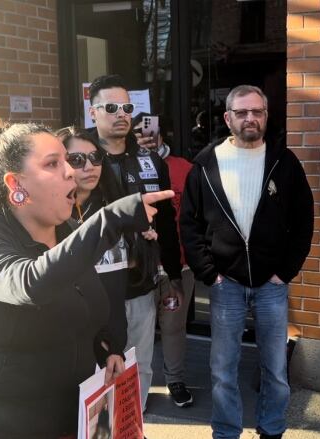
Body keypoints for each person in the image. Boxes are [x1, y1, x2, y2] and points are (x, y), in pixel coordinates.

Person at [0, 121, 173, 438]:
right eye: (52, 164)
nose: (70, 171)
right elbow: (29, 284)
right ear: (15, 183)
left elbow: (85, 308)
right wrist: (112, 219)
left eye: (67, 161)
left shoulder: (67, 232)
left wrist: (105, 348)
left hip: (63, 417)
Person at [180, 85, 314, 439]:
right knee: (223, 369)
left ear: (266, 116)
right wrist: (209, 272)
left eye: (257, 111)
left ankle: (271, 429)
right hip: (227, 285)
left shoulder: (285, 163)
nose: (250, 118)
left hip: (271, 285)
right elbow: (190, 224)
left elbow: (304, 221)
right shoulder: (205, 165)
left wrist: (285, 271)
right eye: (242, 112)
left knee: (275, 369)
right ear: (228, 118)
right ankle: (226, 433)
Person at [87, 74, 184, 413]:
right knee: (100, 370)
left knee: (140, 364)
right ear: (93, 110)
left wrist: (171, 274)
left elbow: (167, 221)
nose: (121, 114)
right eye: (111, 107)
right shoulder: (77, 157)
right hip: (94, 288)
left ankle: (133, 424)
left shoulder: (151, 160)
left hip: (141, 283)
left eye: (127, 107)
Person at [57, 126, 130, 368]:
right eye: (77, 160)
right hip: (63, 344)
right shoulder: (48, 217)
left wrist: (114, 343)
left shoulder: (111, 211)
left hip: (109, 342)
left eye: (95, 157)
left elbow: (115, 286)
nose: (89, 167)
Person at [136, 125, 196, 408]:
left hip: (179, 266)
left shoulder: (184, 167)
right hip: (138, 270)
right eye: (138, 132)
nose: (146, 136)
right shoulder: (122, 166)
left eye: (150, 129)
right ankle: (136, 389)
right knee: (139, 332)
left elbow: (198, 215)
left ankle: (175, 380)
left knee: (173, 327)